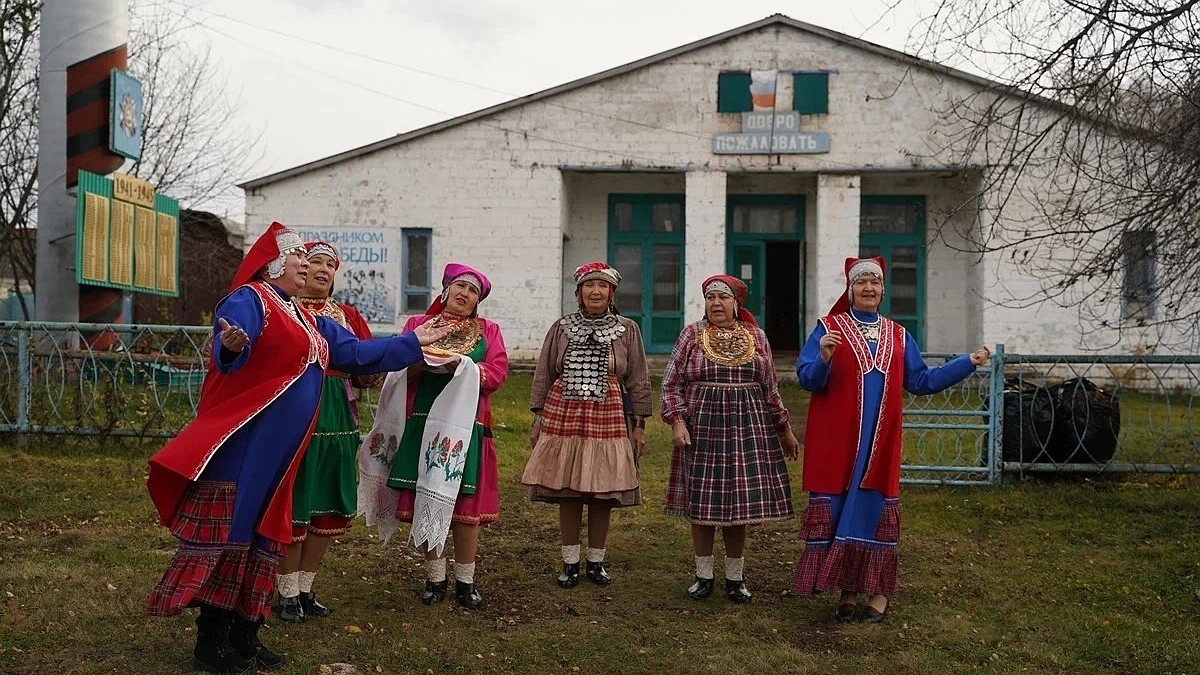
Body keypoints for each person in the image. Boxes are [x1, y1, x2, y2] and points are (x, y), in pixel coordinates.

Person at [145, 222, 451, 673]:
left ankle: (246, 634)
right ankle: (212, 641)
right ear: (273, 266)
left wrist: (412, 343)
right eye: (298, 258)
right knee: (236, 530)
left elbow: (354, 354)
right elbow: (230, 348)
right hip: (247, 445)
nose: (306, 264)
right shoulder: (251, 299)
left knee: (266, 533)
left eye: (309, 260)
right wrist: (231, 347)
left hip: (283, 454)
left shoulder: (310, 318)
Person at [790, 256, 990, 623]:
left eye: (875, 282)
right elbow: (809, 380)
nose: (868, 288)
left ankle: (879, 593)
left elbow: (921, 381)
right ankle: (848, 591)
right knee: (839, 509)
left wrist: (968, 362)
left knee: (871, 508)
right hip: (838, 443)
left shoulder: (898, 335)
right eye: (861, 282)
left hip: (879, 444)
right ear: (850, 290)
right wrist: (823, 359)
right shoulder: (827, 329)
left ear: (883, 290)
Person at [358, 263, 508, 610]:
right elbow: (397, 364)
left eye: (472, 291)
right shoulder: (418, 326)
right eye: (459, 286)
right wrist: (419, 364)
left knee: (465, 505)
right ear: (444, 290)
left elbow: (497, 373)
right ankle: (435, 577)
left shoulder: (489, 331)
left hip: (467, 427)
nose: (464, 294)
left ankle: (466, 581)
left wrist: (465, 368)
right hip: (423, 423)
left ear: (477, 302)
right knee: (428, 495)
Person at [660, 275, 800, 603]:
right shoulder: (691, 335)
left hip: (748, 429)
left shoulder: (756, 336)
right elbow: (670, 383)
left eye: (723, 298)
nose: (716, 304)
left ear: (737, 303)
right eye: (711, 298)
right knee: (703, 503)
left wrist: (784, 429)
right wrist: (677, 422)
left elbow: (770, 388)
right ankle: (704, 575)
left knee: (739, 505)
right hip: (703, 428)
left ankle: (735, 578)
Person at [521, 261, 652, 588]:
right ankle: (569, 562)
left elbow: (638, 378)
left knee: (601, 490)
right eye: (589, 286)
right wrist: (538, 417)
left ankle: (596, 560)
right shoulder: (561, 327)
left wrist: (639, 424)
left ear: (612, 292)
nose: (596, 291)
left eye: (603, 286)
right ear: (579, 292)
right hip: (563, 413)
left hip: (608, 415)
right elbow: (543, 374)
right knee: (568, 489)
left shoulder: (627, 329)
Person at [274, 241, 382, 623]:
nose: (322, 269)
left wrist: (373, 369)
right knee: (295, 499)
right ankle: (284, 591)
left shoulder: (348, 315)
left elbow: (367, 367)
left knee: (330, 502)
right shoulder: (283, 309)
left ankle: (305, 589)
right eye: (314, 262)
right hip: (295, 410)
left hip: (338, 416)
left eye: (329, 264)